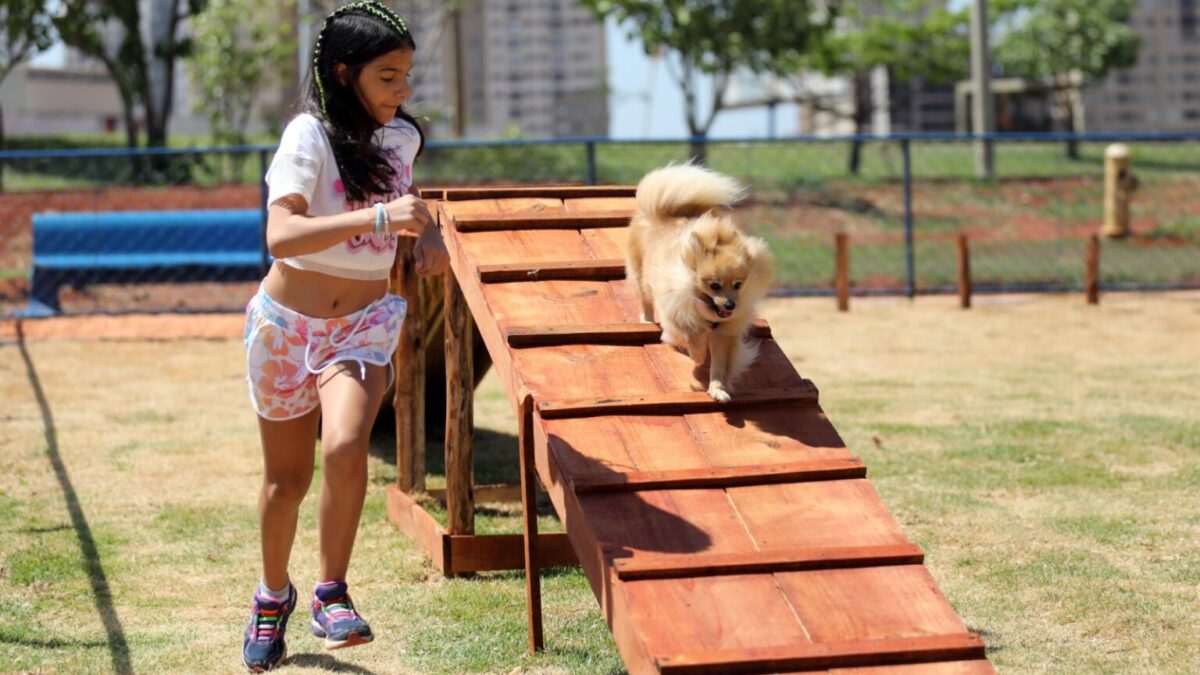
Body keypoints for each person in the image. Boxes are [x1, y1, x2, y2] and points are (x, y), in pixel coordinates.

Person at [239, 2, 447, 670]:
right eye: (389, 76)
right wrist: (384, 217)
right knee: (285, 482)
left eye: (407, 75)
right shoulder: (308, 137)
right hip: (285, 327)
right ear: (344, 72)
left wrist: (430, 230)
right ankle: (273, 595)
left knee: (348, 441)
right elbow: (281, 235)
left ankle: (332, 591)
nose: (403, 90)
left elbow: (412, 204)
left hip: (361, 325)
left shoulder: (401, 140)